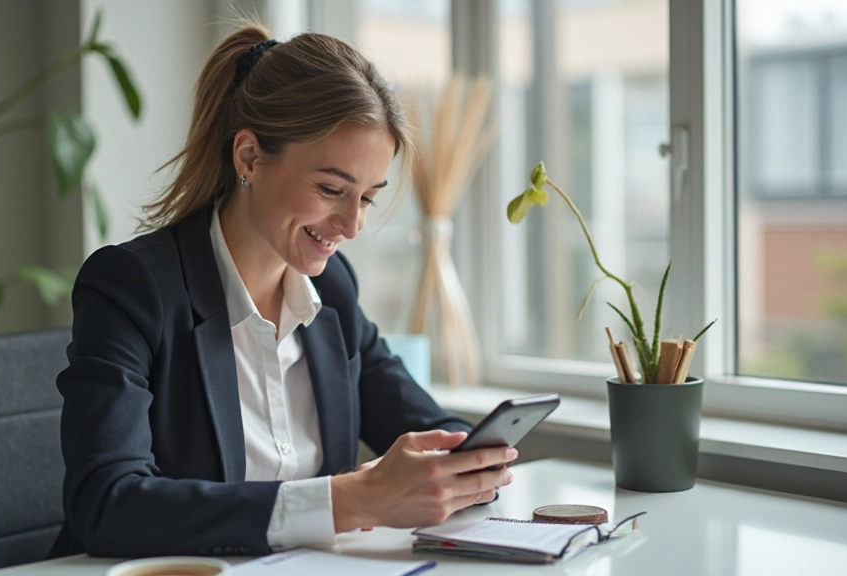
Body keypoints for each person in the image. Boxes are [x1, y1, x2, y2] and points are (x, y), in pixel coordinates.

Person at [49, 22, 518, 559]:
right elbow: (108, 504)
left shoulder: (332, 291)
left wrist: (461, 467)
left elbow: (435, 427)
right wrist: (351, 500)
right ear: (249, 157)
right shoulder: (133, 287)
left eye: (367, 198)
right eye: (332, 189)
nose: (352, 225)